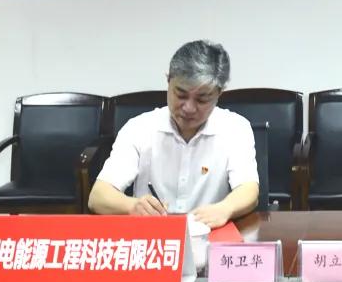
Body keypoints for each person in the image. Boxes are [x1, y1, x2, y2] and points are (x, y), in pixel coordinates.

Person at [88, 40, 259, 228]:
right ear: (168, 81)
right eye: (181, 95)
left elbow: (249, 189)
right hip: (153, 236)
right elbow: (98, 197)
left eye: (202, 99)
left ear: (219, 93)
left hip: (210, 234)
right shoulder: (139, 128)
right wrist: (132, 206)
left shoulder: (236, 128)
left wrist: (226, 208)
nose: (189, 108)